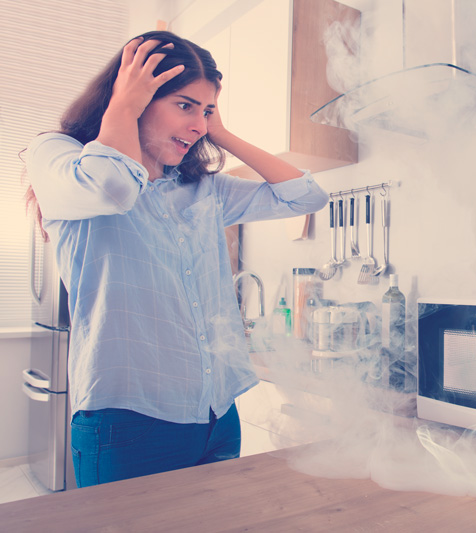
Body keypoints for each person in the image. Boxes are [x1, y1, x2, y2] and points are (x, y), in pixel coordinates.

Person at [24, 31, 328, 487]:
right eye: (185, 106)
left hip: (217, 415)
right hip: (129, 421)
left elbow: (306, 196)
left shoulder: (202, 189)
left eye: (206, 110)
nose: (199, 124)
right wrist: (122, 107)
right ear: (134, 94)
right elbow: (114, 187)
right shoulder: (62, 158)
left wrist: (221, 132)